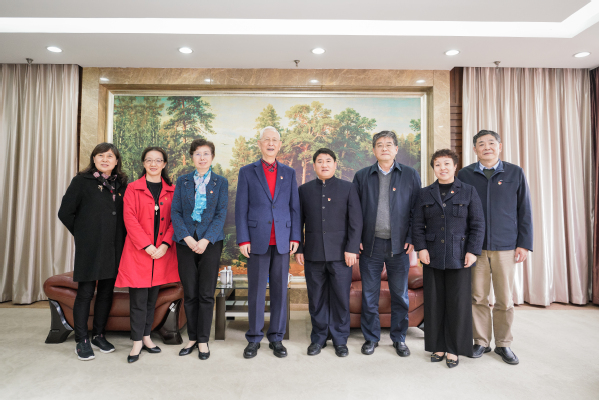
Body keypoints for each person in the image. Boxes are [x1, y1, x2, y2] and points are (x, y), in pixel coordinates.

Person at [458, 129, 533, 365]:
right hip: (475, 248)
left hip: (506, 246)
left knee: (504, 299)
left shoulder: (515, 172)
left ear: (499, 146)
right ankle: (481, 341)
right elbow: (459, 212)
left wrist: (524, 244)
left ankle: (503, 344)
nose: (487, 147)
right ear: (475, 149)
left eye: (491, 143)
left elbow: (525, 210)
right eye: (481, 144)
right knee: (477, 297)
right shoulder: (465, 174)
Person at [413, 149, 485, 368]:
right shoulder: (424, 193)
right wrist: (421, 248)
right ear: (433, 168)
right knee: (434, 303)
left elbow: (478, 224)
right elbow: (417, 225)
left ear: (455, 167)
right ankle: (438, 346)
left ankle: (454, 349)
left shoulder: (468, 191)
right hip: (432, 255)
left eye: (446, 164)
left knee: (458, 304)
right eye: (437, 164)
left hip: (460, 255)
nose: (442, 168)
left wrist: (472, 251)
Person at [352, 130, 421, 357]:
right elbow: (355, 212)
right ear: (373, 150)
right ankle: (371, 338)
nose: (384, 148)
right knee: (369, 296)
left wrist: (411, 238)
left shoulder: (410, 174)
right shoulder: (362, 176)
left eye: (389, 144)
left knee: (399, 295)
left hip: (399, 246)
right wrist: (357, 238)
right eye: (379, 144)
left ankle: (399, 338)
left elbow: (417, 210)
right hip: (370, 245)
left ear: (396, 149)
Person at [58, 142, 128, 361]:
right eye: (101, 156)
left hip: (115, 247)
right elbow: (65, 212)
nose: (105, 159)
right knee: (86, 293)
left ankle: (98, 335)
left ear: (116, 161)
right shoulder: (82, 181)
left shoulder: (122, 184)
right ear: (94, 159)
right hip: (90, 247)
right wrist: (83, 234)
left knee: (106, 293)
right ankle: (82, 340)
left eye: (110, 156)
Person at [235, 126, 300, 359]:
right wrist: (243, 238)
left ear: (279, 145)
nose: (271, 143)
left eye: (275, 140)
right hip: (256, 240)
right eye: (267, 140)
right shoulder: (247, 171)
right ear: (260, 144)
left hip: (282, 240)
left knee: (280, 291)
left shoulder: (289, 172)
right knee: (256, 291)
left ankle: (276, 338)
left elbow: (294, 207)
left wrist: (295, 237)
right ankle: (254, 338)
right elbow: (241, 208)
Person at [295, 148, 362, 357]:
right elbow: (298, 222)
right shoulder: (304, 190)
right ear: (314, 165)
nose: (324, 164)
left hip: (342, 255)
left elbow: (356, 222)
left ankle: (340, 340)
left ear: (335, 164)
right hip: (313, 253)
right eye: (320, 161)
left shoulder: (348, 188)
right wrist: (300, 249)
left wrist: (352, 249)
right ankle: (319, 338)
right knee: (316, 299)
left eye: (328, 161)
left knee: (341, 298)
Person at [115, 147, 179, 363]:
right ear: (143, 163)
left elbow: (175, 220)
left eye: (158, 160)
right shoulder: (132, 188)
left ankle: (146, 337)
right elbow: (129, 219)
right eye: (149, 160)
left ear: (164, 164)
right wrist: (146, 245)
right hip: (139, 252)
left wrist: (165, 244)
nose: (153, 164)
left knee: (152, 299)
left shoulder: (173, 190)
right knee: (138, 300)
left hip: (161, 253)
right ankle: (136, 343)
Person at [171, 139, 228, 360]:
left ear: (212, 157)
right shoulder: (183, 181)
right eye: (197, 154)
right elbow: (175, 212)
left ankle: (203, 340)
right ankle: (192, 338)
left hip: (210, 243)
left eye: (206, 154)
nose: (202, 158)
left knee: (206, 293)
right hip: (185, 242)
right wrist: (186, 237)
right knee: (190, 293)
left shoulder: (220, 182)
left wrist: (205, 240)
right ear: (192, 157)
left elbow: (221, 214)